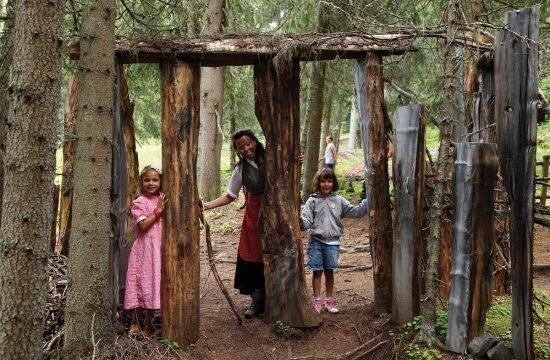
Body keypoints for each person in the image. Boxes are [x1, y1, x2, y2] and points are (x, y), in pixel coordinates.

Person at [201, 129, 267, 319]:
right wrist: (206, 206)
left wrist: (298, 160)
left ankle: (277, 297)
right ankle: (258, 299)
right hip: (254, 214)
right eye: (241, 147)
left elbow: (289, 168)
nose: (246, 149)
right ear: (237, 150)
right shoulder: (240, 169)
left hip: (277, 211)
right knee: (253, 256)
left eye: (248, 144)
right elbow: (230, 196)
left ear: (254, 141)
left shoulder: (272, 157)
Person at [300, 168, 368, 314]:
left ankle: (329, 300)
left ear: (333, 183)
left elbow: (355, 212)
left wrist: (369, 201)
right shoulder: (312, 201)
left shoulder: (339, 200)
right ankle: (317, 301)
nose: (326, 184)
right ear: (318, 183)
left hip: (333, 244)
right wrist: (300, 221)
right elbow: (306, 221)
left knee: (329, 271)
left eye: (329, 181)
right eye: (323, 181)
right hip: (316, 242)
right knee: (317, 271)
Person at [124, 165, 168, 338]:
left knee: (153, 285)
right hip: (144, 250)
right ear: (141, 182)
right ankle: (135, 322)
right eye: (147, 180)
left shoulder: (162, 198)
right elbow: (143, 225)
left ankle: (148, 324)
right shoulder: (139, 202)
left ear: (161, 182)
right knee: (140, 284)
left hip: (158, 250)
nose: (151, 183)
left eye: (155, 180)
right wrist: (158, 211)